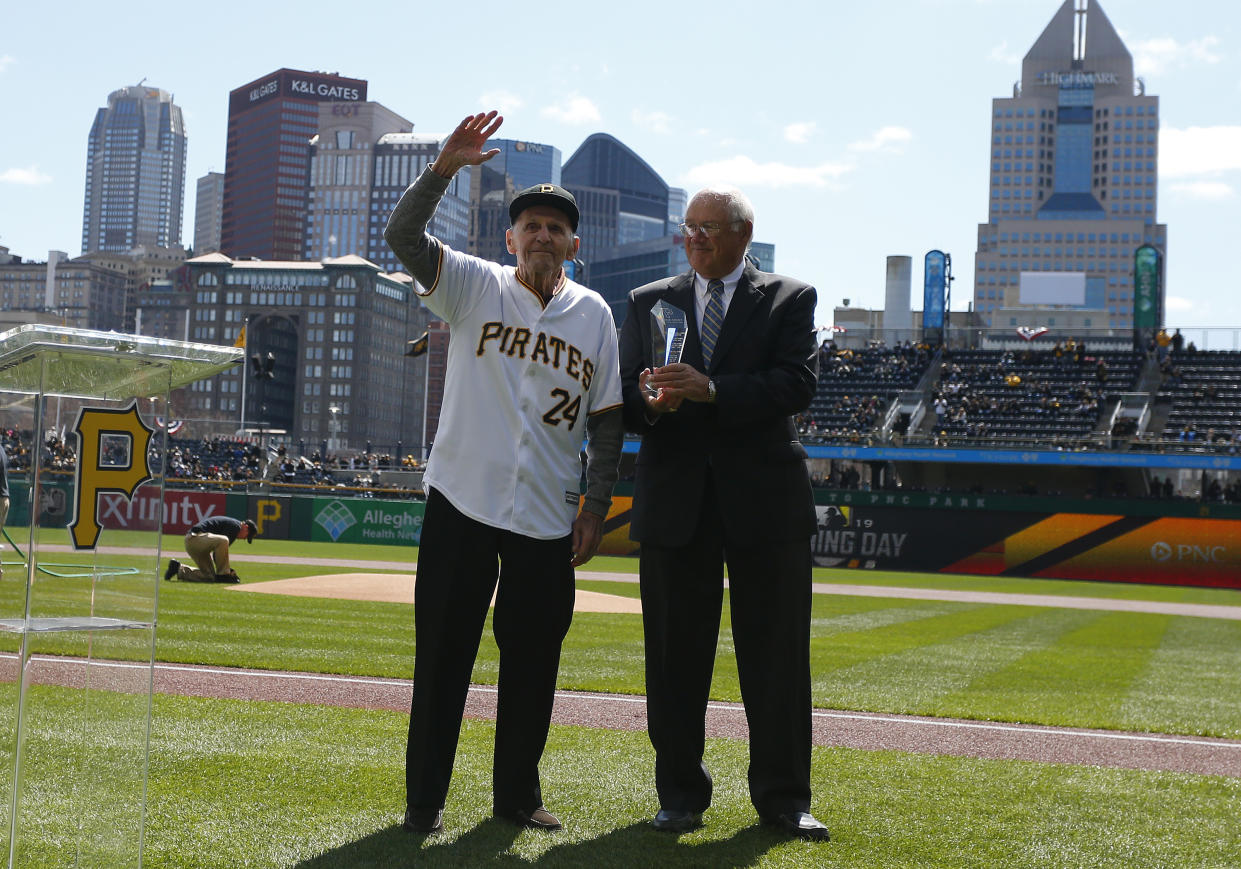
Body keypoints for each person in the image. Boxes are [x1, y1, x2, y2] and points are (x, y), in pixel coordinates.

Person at [383, 110, 624, 835]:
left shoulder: (595, 315)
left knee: (533, 665)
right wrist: (443, 169)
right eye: (531, 226)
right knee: (444, 657)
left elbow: (607, 417)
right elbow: (402, 238)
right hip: (461, 499)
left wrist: (596, 504)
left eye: (555, 227)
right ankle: (424, 801)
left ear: (574, 245)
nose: (542, 235)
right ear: (509, 237)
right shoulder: (471, 284)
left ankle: (516, 797)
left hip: (547, 515)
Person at [618, 185, 828, 841]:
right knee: (673, 659)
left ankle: (784, 799)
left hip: (765, 501)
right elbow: (625, 400)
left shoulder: (789, 298)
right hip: (675, 502)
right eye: (690, 227)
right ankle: (679, 794)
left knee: (777, 659)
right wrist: (653, 403)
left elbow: (797, 384)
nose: (697, 237)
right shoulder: (647, 301)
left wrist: (711, 389)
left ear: (743, 232)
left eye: (710, 227)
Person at [164, 516, 256, 583]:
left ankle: (178, 569)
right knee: (224, 540)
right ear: (246, 527)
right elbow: (217, 554)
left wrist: (228, 570)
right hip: (195, 538)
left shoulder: (235, 527)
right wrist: (226, 573)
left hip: (194, 542)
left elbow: (218, 554)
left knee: (210, 577)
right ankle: (223, 576)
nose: (244, 539)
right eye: (247, 536)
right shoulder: (236, 526)